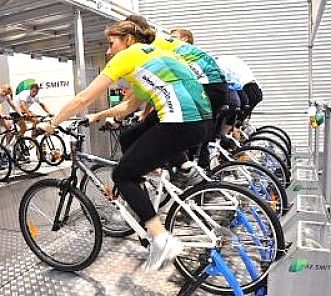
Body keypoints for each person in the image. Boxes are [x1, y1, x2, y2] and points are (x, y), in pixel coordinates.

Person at [42, 20, 213, 271]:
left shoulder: (128, 56)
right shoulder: (155, 55)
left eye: (111, 44)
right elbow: (129, 106)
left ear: (128, 40)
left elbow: (83, 97)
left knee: (122, 175)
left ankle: (161, 238)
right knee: (132, 143)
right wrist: (97, 117)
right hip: (202, 122)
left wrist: (52, 123)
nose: (109, 51)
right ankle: (176, 174)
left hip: (178, 122)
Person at [126, 15, 229, 170]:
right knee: (185, 136)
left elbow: (160, 85)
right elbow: (159, 88)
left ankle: (187, 174)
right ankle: (194, 177)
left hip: (207, 86)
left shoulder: (149, 45)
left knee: (163, 128)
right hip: (216, 87)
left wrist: (144, 113)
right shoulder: (160, 40)